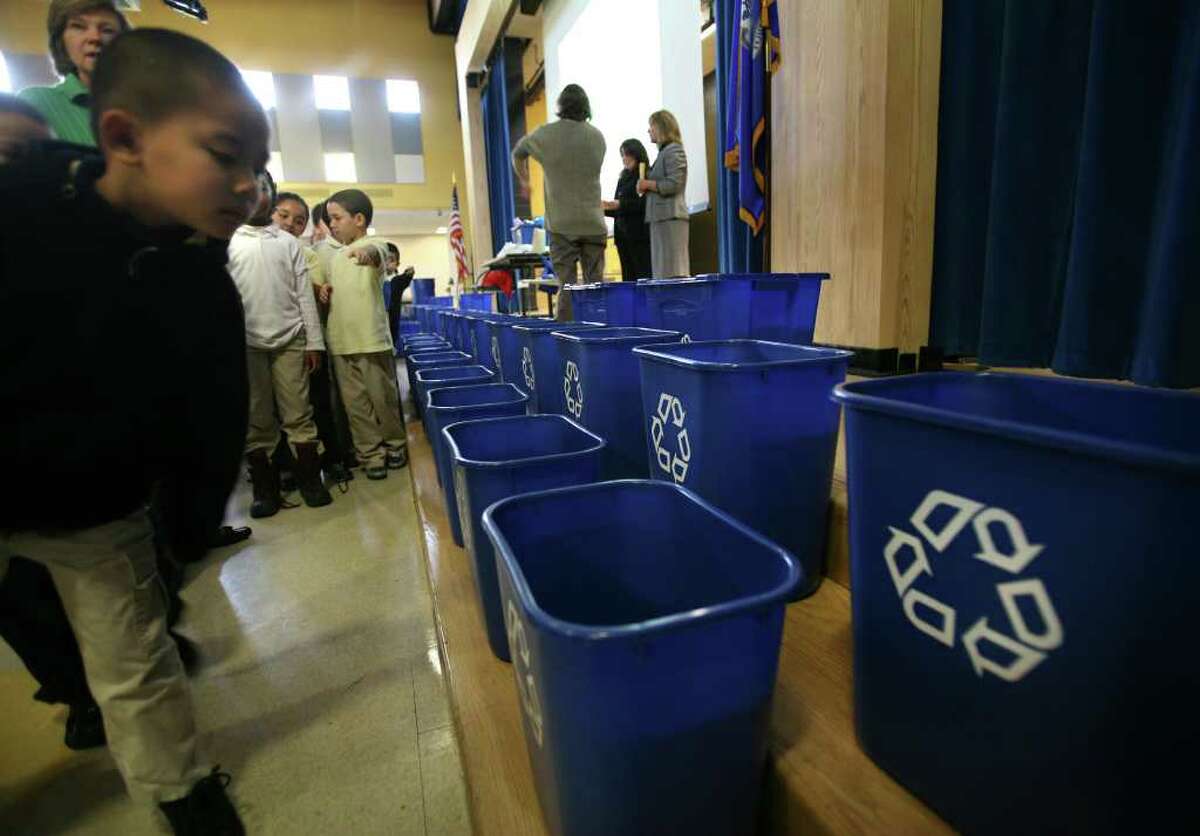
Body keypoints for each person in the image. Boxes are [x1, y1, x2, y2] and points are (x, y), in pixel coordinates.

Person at [0, 28, 262, 833]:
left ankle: (183, 794)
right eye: (225, 155)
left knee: (138, 665)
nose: (248, 185)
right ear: (124, 139)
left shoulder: (203, 287)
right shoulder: (25, 202)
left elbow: (213, 426)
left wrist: (177, 540)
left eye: (256, 163)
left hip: (93, 505)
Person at [228, 171, 334, 517]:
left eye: (264, 190)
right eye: (251, 189)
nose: (258, 196)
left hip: (291, 339)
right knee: (257, 419)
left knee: (298, 412)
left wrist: (313, 342)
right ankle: (265, 489)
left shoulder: (289, 244)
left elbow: (305, 296)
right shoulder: (229, 240)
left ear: (271, 195)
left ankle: (310, 480)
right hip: (247, 343)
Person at [316, 189, 409, 478]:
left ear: (359, 219)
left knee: (382, 398)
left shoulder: (375, 243)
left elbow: (377, 256)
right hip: (341, 342)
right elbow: (326, 284)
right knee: (356, 406)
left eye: (336, 218)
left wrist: (364, 254)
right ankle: (370, 453)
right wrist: (323, 289)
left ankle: (395, 444)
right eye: (329, 219)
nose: (332, 224)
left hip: (371, 339)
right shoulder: (329, 254)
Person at [511, 83, 606, 320]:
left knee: (567, 287)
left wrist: (524, 180)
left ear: (560, 107)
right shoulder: (597, 137)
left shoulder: (545, 134)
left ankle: (567, 348)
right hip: (594, 223)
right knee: (596, 288)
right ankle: (601, 338)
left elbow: (518, 153)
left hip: (562, 225)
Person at [17, 0, 129, 146]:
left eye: (107, 30)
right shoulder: (36, 102)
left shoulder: (144, 105)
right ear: (61, 41)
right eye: (79, 27)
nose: (94, 37)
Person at [638, 109, 690, 278]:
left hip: (671, 218)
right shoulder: (663, 153)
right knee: (662, 272)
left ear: (661, 127)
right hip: (660, 218)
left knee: (674, 271)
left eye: (651, 126)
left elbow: (675, 184)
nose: (649, 130)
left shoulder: (674, 150)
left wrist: (648, 184)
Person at [603, 138, 653, 282]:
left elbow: (642, 204)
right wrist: (605, 208)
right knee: (628, 277)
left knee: (642, 274)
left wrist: (619, 205)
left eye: (627, 154)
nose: (624, 159)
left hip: (639, 235)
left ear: (637, 154)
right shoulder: (623, 178)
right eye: (622, 155)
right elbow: (618, 208)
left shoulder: (645, 175)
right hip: (622, 237)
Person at [384, 242, 415, 345]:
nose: (387, 263)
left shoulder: (397, 281)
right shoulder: (375, 279)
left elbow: (404, 278)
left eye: (391, 260)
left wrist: (409, 273)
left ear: (397, 264)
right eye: (384, 259)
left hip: (392, 328)